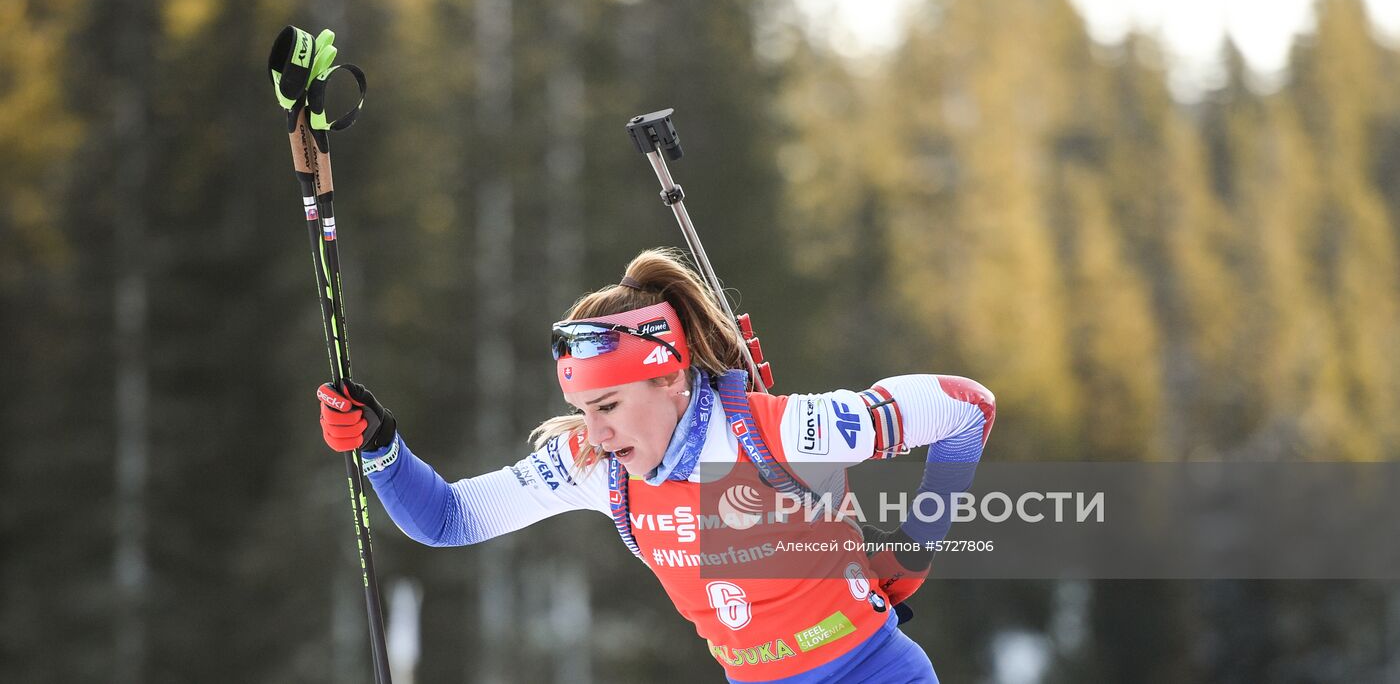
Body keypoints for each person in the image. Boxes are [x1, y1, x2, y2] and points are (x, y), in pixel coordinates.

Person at [316, 247, 996, 683]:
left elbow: (967, 408)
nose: (594, 430)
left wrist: (914, 549)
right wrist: (380, 446)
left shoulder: (782, 430)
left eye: (608, 404)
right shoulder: (595, 465)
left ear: (670, 379)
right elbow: (448, 519)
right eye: (581, 408)